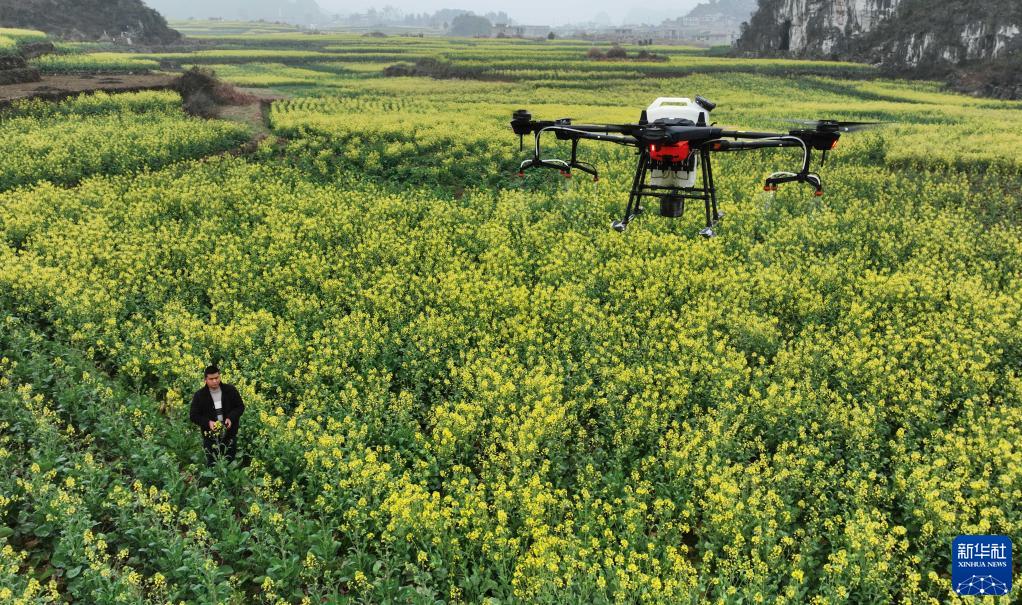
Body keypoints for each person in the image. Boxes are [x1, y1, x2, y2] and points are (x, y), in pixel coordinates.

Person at [189, 364, 245, 466]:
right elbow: (193, 415)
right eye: (211, 379)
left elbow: (240, 407)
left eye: (217, 377)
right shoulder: (199, 395)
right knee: (213, 464)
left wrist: (230, 418)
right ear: (205, 380)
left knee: (230, 463)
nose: (215, 381)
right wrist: (208, 423)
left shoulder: (230, 390)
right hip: (210, 437)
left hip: (229, 434)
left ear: (220, 376)